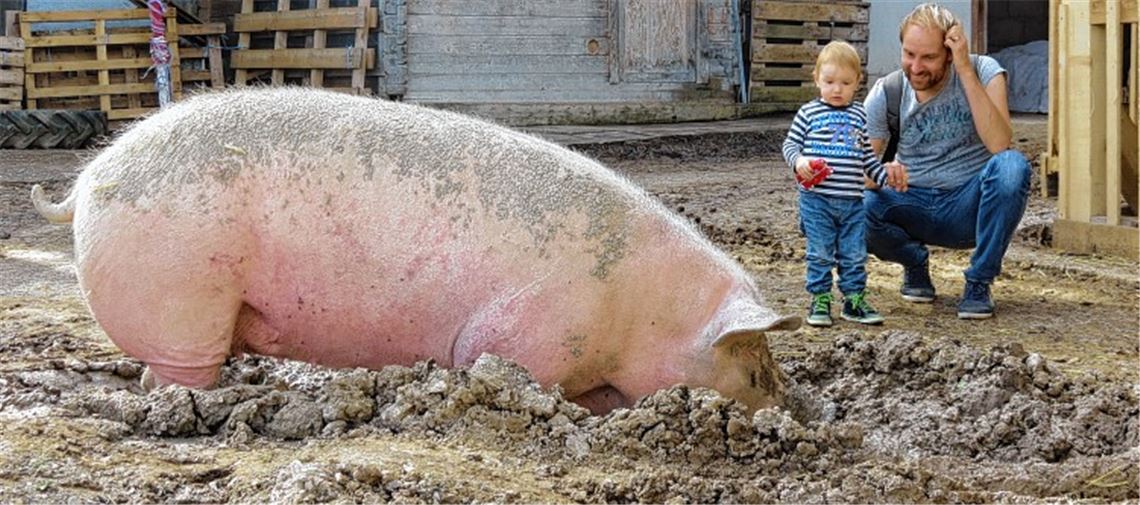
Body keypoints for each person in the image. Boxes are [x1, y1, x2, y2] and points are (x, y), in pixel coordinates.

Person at [863, 3, 1031, 319]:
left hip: (967, 208)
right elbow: (859, 173)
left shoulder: (984, 71)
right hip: (910, 202)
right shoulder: (888, 91)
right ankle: (914, 263)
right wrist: (880, 171)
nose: (915, 67)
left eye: (928, 57)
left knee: (1012, 167)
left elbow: (999, 144)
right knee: (855, 206)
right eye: (909, 54)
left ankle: (979, 282)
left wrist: (965, 70)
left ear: (950, 54)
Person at [782, 40, 907, 327]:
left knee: (854, 254)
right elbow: (789, 145)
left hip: (852, 202)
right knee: (820, 252)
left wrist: (885, 177)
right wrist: (799, 162)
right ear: (816, 79)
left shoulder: (859, 115)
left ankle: (853, 300)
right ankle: (820, 299)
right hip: (817, 200)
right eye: (829, 82)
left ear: (857, 83)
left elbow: (867, 158)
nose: (837, 89)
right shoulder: (808, 113)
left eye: (845, 83)